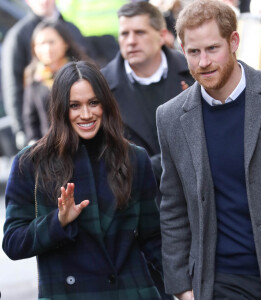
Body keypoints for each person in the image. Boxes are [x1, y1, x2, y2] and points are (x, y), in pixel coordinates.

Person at [156, 0, 261, 300]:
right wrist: (182, 288)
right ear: (183, 49)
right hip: (220, 280)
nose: (203, 62)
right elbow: (173, 206)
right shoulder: (170, 117)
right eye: (193, 52)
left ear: (233, 41)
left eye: (212, 49)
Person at [2, 61, 163, 299]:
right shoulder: (31, 164)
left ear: (105, 104)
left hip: (131, 292)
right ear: (60, 109)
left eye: (93, 103)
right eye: (74, 105)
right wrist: (58, 222)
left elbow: (153, 240)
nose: (86, 114)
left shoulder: (133, 158)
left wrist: (180, 289)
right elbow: (13, 243)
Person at [101, 1, 193, 189]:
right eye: (124, 34)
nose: (131, 41)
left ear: (162, 36)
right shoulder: (101, 86)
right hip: (135, 198)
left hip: (193, 194)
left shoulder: (195, 72)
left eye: (140, 32)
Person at [1, 0, 87, 150]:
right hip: (45, 136)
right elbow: (13, 86)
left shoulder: (72, 29)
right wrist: (21, 130)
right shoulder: (19, 35)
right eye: (41, 44)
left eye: (52, 42)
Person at [23, 20, 89, 145]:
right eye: (41, 44)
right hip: (52, 151)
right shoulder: (35, 80)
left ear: (65, 43)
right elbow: (30, 121)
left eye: (51, 42)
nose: (47, 48)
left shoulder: (81, 73)